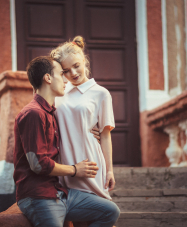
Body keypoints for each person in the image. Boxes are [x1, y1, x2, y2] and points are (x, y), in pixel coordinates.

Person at [13, 56, 120, 227]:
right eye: (61, 74)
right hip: (38, 196)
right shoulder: (33, 113)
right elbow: (38, 164)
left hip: (59, 193)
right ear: (48, 78)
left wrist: (89, 132)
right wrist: (75, 170)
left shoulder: (51, 112)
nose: (66, 79)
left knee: (110, 211)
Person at [51, 36, 115, 200]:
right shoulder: (59, 92)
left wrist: (109, 170)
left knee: (99, 209)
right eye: (65, 70)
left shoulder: (101, 94)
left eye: (76, 66)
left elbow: (105, 135)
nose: (73, 73)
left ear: (84, 62)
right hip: (65, 163)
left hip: (90, 159)